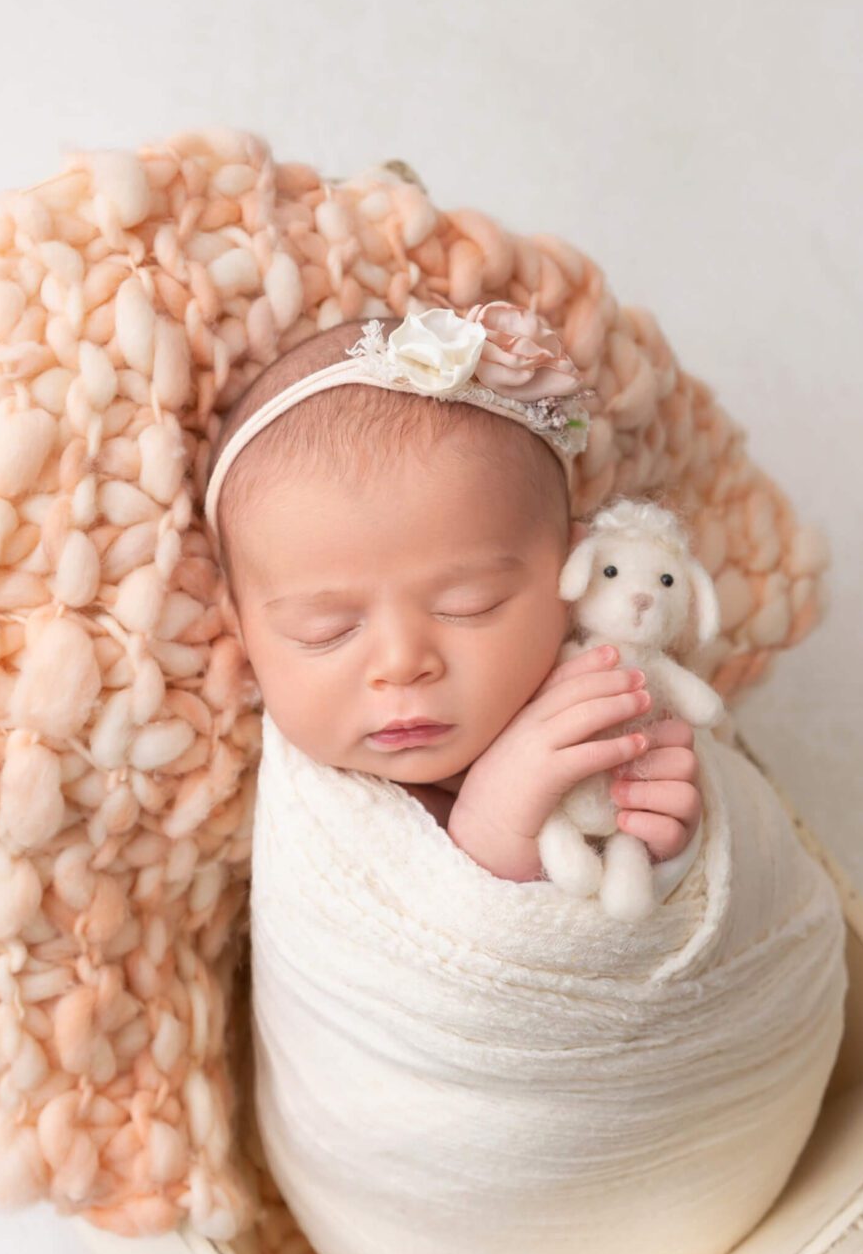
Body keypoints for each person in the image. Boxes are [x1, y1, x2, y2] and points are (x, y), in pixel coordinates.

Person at [201, 306, 705, 883]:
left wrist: (668, 848)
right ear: (242, 628)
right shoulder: (317, 815)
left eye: (469, 604)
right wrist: (494, 832)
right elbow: (414, 958)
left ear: (573, 574)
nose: (402, 664)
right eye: (326, 631)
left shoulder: (617, 700)